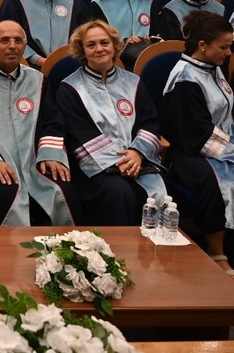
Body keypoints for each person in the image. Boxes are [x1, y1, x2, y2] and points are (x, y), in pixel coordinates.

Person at [161, 11, 234, 298]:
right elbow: (194, 133)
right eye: (223, 46)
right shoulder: (185, 78)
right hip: (189, 152)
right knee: (231, 183)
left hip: (218, 145)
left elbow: (225, 116)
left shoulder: (212, 67)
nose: (229, 51)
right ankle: (218, 253)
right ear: (202, 45)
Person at [0, 20, 81, 227]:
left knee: (63, 189)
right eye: (5, 40)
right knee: (5, 190)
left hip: (34, 161)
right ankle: (5, 256)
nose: (12, 45)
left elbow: (53, 122)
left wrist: (51, 156)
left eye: (18, 40)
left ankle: (64, 254)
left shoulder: (38, 80)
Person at [56, 20, 167, 224]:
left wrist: (137, 153)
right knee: (119, 192)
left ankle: (152, 254)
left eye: (104, 43)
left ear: (114, 45)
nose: (99, 49)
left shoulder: (133, 82)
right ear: (82, 50)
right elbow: (78, 133)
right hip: (95, 168)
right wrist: (119, 163)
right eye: (91, 45)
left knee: (161, 193)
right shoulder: (70, 88)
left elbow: (150, 122)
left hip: (138, 162)